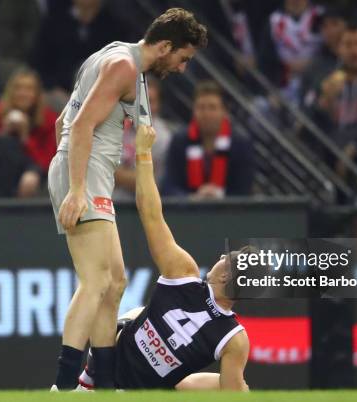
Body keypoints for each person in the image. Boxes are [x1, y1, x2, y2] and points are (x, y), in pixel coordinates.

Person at [47, 8, 208, 390]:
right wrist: (74, 188)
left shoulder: (112, 53)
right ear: (165, 46)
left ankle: (102, 383)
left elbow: (61, 123)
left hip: (87, 174)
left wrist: (70, 172)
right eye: (183, 58)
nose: (182, 68)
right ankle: (63, 386)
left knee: (116, 281)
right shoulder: (123, 65)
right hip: (85, 177)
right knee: (96, 280)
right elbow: (82, 124)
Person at [73, 123, 251, 391]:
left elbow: (151, 213)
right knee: (236, 386)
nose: (219, 257)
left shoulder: (184, 274)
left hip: (117, 377)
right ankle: (93, 376)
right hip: (134, 381)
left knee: (120, 302)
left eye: (225, 257)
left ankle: (86, 378)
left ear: (226, 273)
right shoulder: (235, 340)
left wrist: (144, 155)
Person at [309, 24, 357, 174]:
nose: (354, 51)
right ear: (339, 49)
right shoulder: (326, 77)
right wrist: (324, 101)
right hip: (331, 150)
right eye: (348, 45)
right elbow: (310, 120)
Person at [162, 81, 254, 198]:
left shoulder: (240, 144)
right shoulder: (180, 141)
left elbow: (244, 189)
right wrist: (192, 197)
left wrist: (217, 195)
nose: (206, 113)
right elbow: (169, 186)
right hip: (189, 211)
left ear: (224, 112)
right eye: (201, 107)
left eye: (212, 107)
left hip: (229, 212)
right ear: (194, 111)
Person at [114, 77, 174, 200]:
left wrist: (113, 172)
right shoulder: (116, 126)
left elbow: (151, 183)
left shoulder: (164, 139)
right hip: (109, 205)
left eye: (150, 101)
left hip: (141, 208)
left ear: (158, 105)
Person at [0, 68, 58, 175]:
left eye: (29, 89)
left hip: (35, 176)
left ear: (37, 94)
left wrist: (25, 137)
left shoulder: (49, 119)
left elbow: (46, 163)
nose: (23, 94)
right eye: (18, 88)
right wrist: (4, 132)